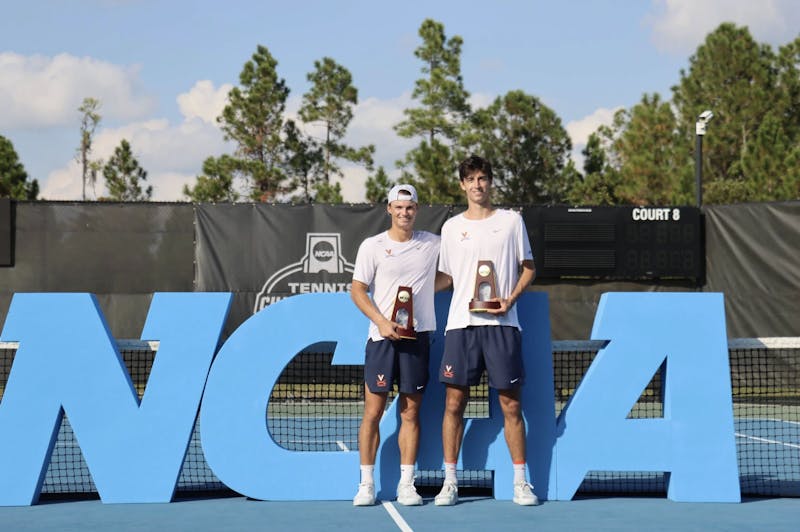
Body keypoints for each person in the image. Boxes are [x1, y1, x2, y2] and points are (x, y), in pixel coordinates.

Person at [434, 155, 539, 506]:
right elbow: (446, 277)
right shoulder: (450, 228)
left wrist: (509, 299)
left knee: (511, 405)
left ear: (491, 183)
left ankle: (521, 483)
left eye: (483, 178)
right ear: (462, 185)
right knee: (454, 402)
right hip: (461, 327)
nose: (477, 185)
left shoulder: (511, 222)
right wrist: (408, 288)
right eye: (471, 180)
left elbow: (528, 268)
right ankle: (450, 482)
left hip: (502, 325)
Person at [350, 184, 442, 506]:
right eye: (399, 207)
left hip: (418, 339)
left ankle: (407, 485)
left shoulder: (433, 244)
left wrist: (427, 293)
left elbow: (453, 275)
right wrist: (382, 321)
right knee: (373, 411)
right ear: (389, 209)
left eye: (410, 207)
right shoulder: (372, 246)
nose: (404, 213)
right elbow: (358, 289)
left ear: (417, 209)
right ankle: (366, 485)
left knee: (411, 412)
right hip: (381, 340)